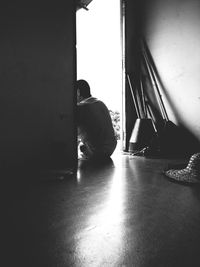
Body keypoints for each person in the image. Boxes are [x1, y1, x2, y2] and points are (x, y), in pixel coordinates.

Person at [77, 79, 117, 160]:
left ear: (78, 92)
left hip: (96, 152)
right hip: (111, 149)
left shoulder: (81, 107)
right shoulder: (101, 103)